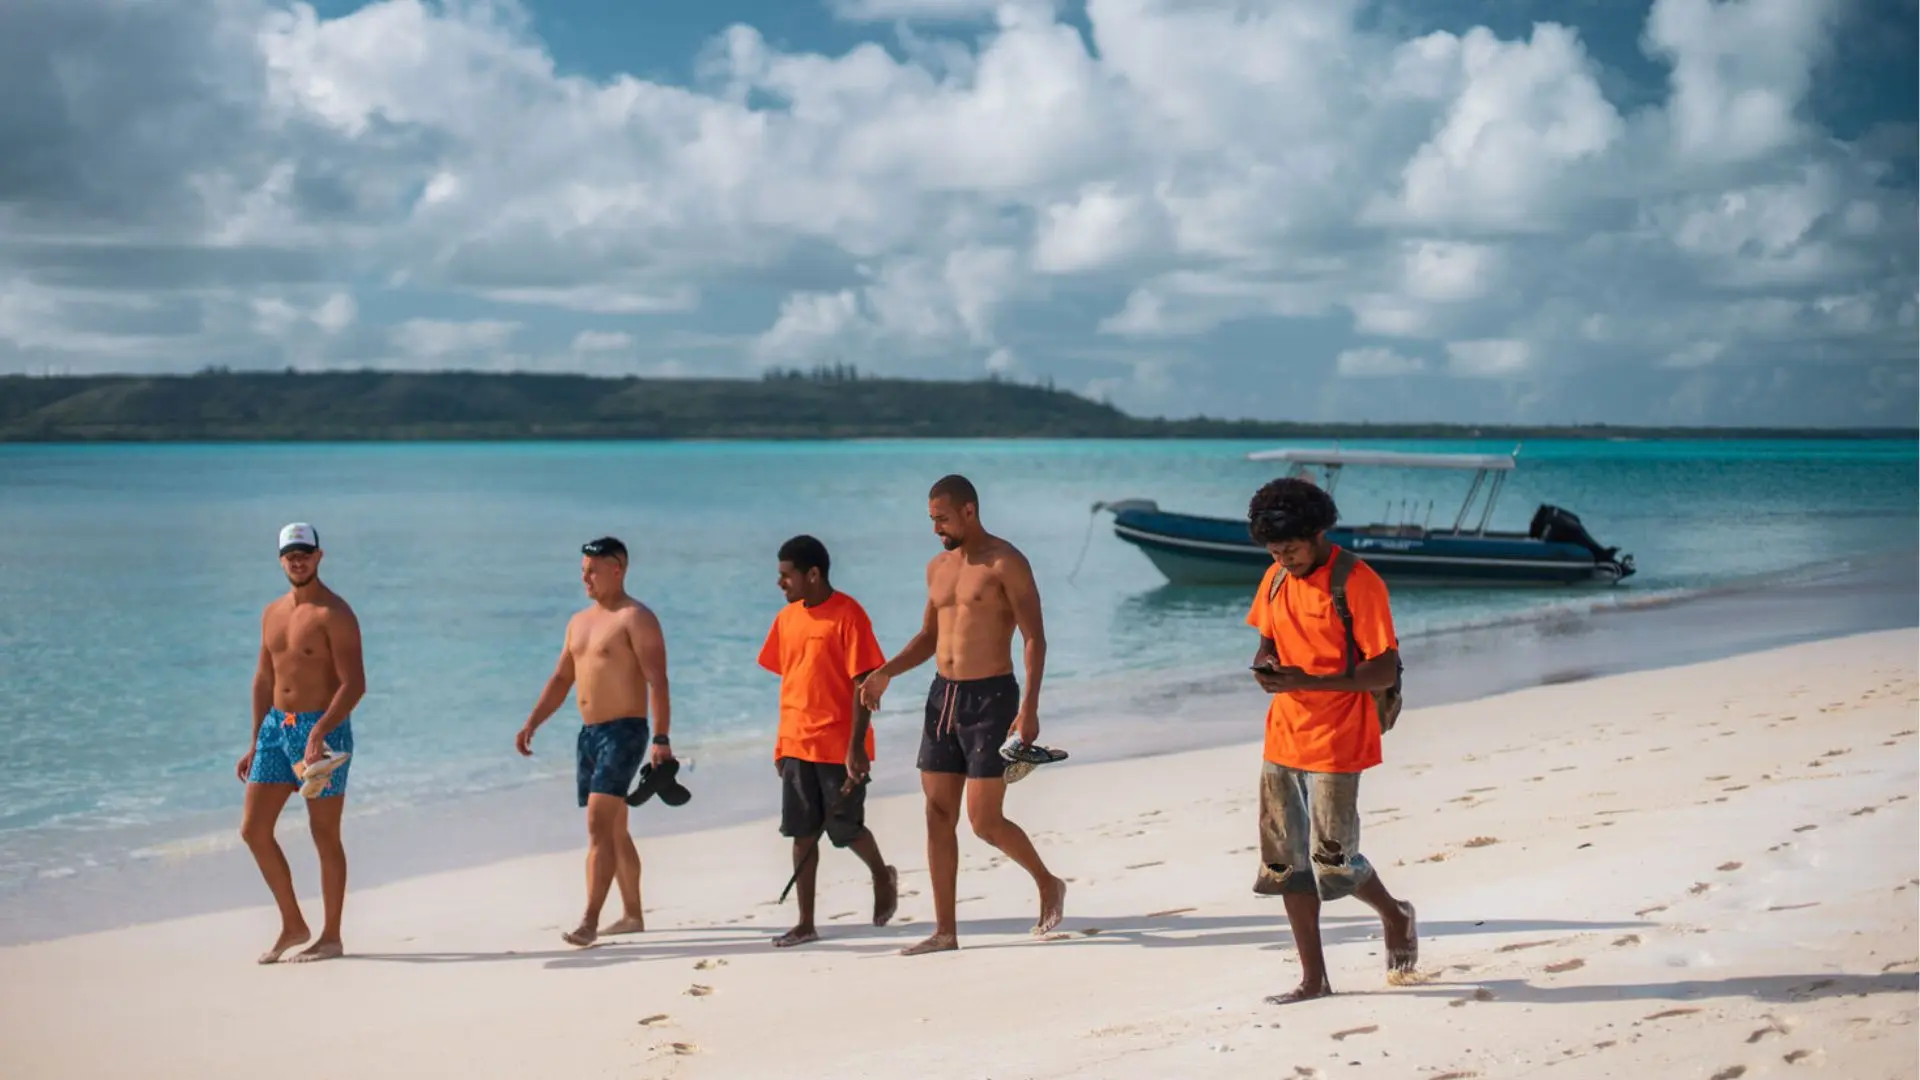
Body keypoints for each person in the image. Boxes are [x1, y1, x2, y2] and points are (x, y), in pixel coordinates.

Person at [859, 475, 1066, 955]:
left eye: (943, 518)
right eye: (931, 519)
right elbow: (929, 637)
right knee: (936, 814)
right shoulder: (938, 568)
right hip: (942, 698)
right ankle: (945, 931)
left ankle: (1047, 881)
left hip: (992, 698)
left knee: (984, 820)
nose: (936, 529)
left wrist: (1029, 708)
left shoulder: (1006, 562)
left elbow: (1034, 637)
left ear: (969, 511)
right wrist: (884, 672)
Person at [1243, 477, 1417, 1005]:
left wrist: (1308, 683)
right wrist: (1265, 666)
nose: (1284, 559)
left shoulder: (1358, 582)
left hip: (1340, 735)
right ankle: (1314, 980)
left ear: (1318, 532)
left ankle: (1395, 913)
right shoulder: (1274, 578)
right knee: (1283, 863)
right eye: (1275, 551)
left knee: (1334, 860)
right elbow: (1267, 641)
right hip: (1283, 736)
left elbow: (1382, 670)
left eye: (1291, 549)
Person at [516, 536, 672, 948]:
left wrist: (661, 738)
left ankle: (588, 920)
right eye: (582, 569)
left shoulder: (635, 618)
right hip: (589, 736)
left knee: (598, 826)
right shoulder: (578, 621)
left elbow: (658, 680)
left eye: (593, 569)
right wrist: (533, 721)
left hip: (625, 731)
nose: (585, 576)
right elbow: (562, 679)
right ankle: (633, 915)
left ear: (617, 569)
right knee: (616, 829)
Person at [756, 535, 899, 947]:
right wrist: (780, 745)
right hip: (797, 743)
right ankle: (806, 922)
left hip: (839, 746)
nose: (780, 583)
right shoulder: (786, 620)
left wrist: (856, 747)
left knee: (844, 828)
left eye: (786, 576)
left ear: (813, 574)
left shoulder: (849, 615)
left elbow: (865, 686)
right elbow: (790, 685)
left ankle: (880, 875)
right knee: (801, 834)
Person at [238, 522, 365, 964]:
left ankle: (331, 936)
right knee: (254, 831)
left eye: (305, 553)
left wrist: (318, 732)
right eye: (290, 554)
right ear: (280, 559)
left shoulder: (336, 613)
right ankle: (293, 924)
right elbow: (263, 678)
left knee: (324, 833)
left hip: (323, 733)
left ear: (319, 556)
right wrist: (256, 740)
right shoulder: (271, 613)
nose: (298, 560)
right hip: (277, 728)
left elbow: (354, 685)